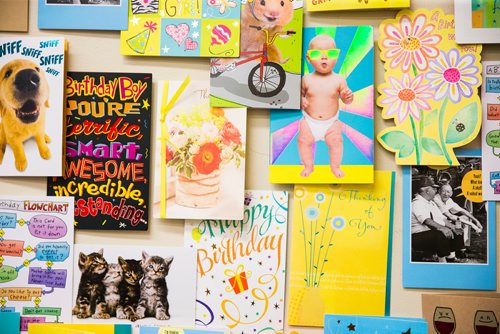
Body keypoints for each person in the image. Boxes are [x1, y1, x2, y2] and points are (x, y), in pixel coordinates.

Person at [299, 34, 353, 178]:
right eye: (317, 53)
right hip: (310, 121)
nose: (324, 57)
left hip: (331, 123)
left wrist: (347, 97)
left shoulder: (339, 80)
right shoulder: (306, 79)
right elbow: (298, 95)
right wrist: (300, 100)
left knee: (336, 141)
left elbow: (346, 100)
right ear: (309, 58)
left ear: (337, 57)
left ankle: (335, 167)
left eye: (331, 53)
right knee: (303, 141)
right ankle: (308, 166)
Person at [411, 176, 465, 263]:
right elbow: (426, 220)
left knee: (455, 228)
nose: (436, 191)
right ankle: (442, 261)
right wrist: (442, 228)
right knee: (439, 234)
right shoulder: (417, 203)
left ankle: (451, 257)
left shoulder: (431, 202)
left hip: (429, 232)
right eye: (434, 189)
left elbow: (442, 218)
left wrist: (452, 226)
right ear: (427, 190)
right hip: (417, 235)